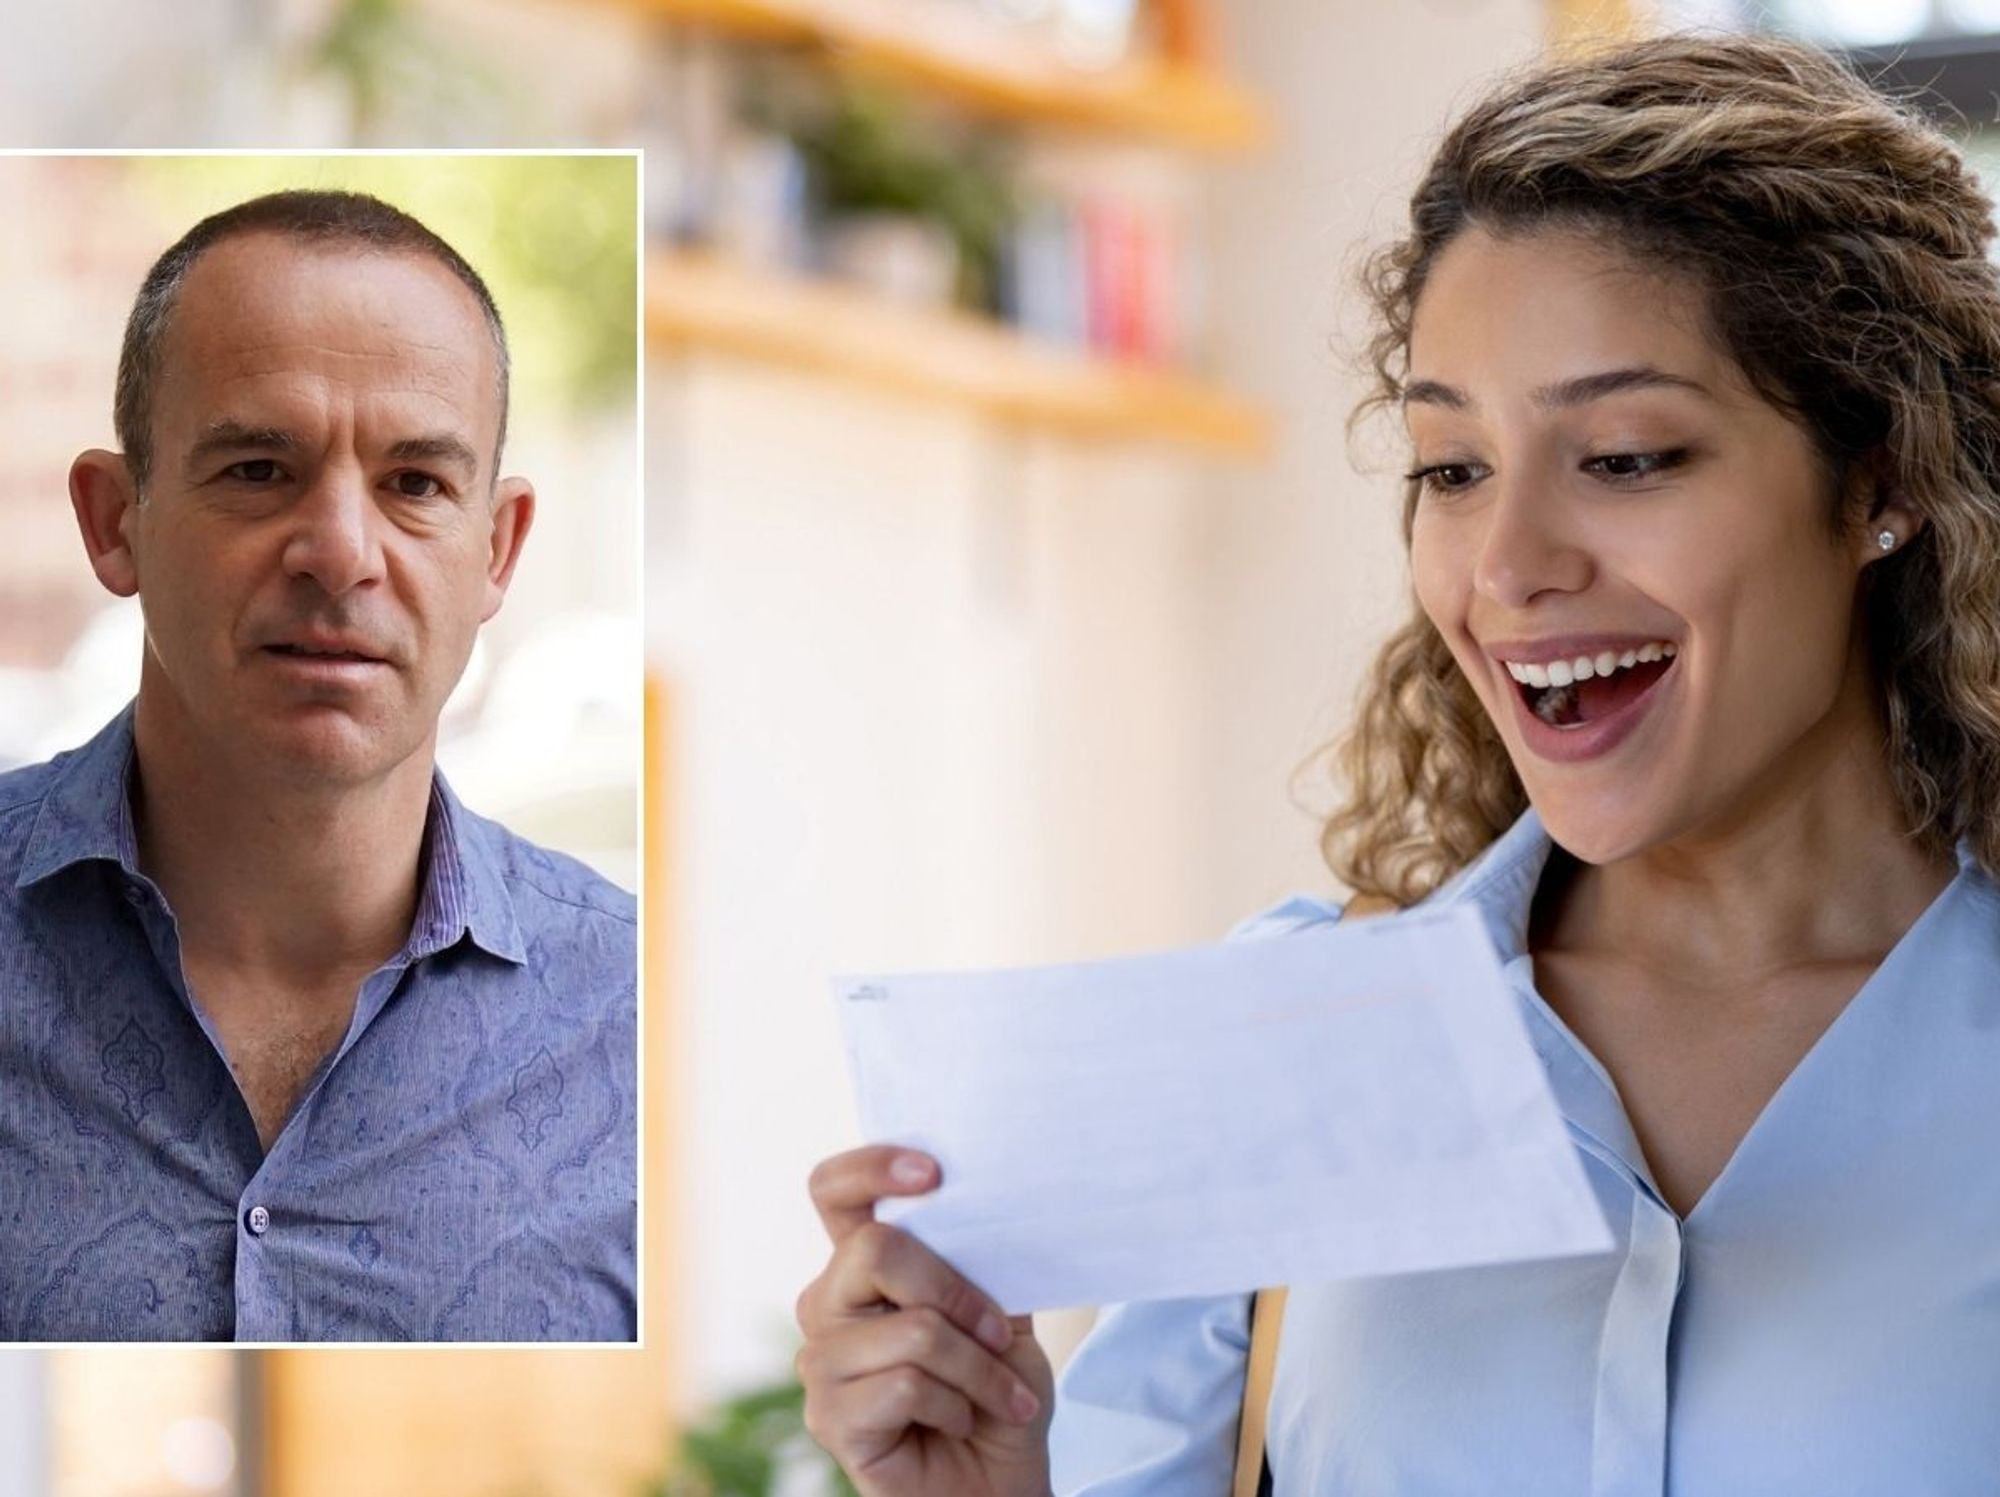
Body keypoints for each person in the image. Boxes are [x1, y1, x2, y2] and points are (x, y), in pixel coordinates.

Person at [792, 30, 2000, 1493]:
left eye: (1624, 456)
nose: (1509, 566)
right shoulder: (1286, 1044)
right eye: (1452, 470)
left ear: (1881, 479)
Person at [0, 189, 637, 1342]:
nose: (342, 552)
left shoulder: (641, 1024)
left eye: (416, 485)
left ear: (496, 551)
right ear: (114, 522)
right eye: (255, 469)